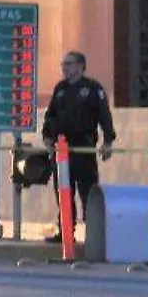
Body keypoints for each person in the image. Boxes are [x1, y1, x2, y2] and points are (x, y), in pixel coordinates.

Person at [40, 51, 115, 242]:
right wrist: (47, 137)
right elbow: (51, 116)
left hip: (84, 149)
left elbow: (104, 116)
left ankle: (94, 234)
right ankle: (65, 232)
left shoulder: (92, 89)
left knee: (88, 192)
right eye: (63, 64)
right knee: (63, 192)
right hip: (62, 151)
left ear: (81, 66)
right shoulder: (61, 88)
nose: (65, 68)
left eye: (69, 64)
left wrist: (108, 141)